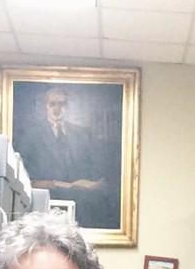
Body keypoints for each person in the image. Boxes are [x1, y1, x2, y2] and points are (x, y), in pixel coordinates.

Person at [13, 87, 117, 229]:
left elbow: (92, 168)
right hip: (45, 201)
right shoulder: (30, 134)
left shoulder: (82, 134)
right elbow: (22, 173)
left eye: (61, 104)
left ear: (67, 107)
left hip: (79, 202)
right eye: (53, 104)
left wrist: (88, 183)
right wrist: (55, 184)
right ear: (46, 107)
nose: (57, 108)